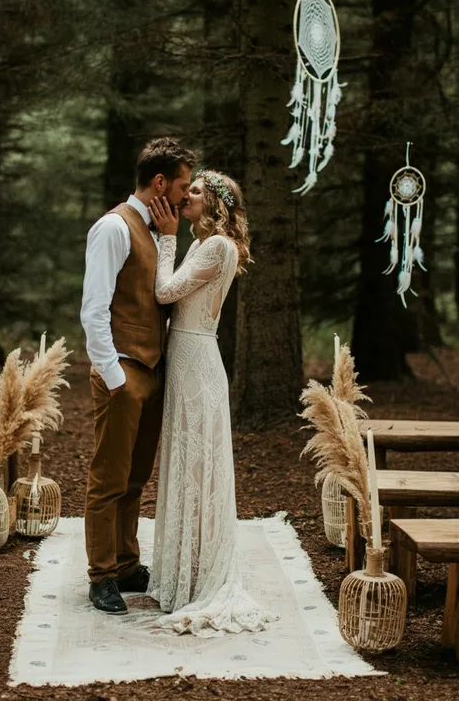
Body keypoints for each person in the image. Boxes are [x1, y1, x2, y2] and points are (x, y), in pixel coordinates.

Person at [146, 170, 278, 637]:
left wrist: (165, 240)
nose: (186, 197)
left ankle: (202, 575)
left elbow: (165, 292)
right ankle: (182, 571)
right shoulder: (204, 244)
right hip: (184, 358)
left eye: (196, 192)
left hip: (199, 363)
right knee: (186, 465)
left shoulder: (218, 246)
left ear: (218, 203)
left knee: (199, 468)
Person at [80, 137, 195, 615]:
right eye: (183, 186)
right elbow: (93, 309)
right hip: (123, 370)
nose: (188, 196)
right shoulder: (114, 228)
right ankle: (101, 575)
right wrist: (113, 376)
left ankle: (127, 564)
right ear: (159, 182)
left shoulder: (156, 228)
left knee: (135, 477)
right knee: (108, 478)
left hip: (151, 369)